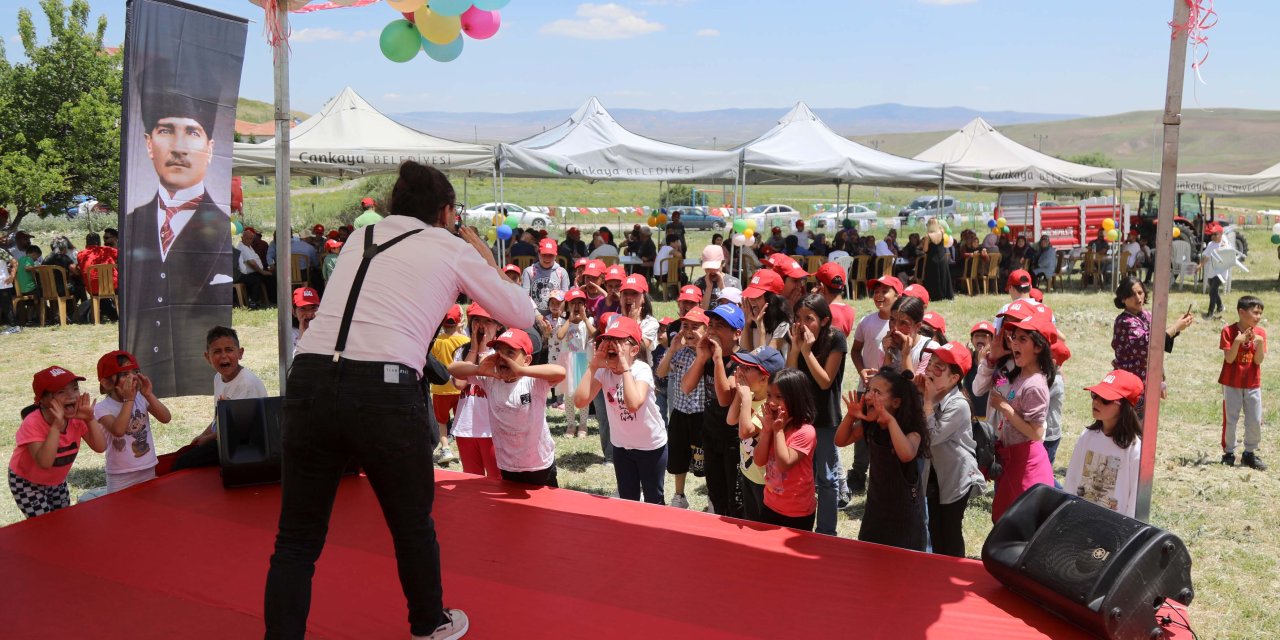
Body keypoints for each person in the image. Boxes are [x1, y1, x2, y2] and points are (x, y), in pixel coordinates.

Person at [267, 161, 536, 640]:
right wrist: (477, 250)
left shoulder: (358, 239)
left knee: (296, 539)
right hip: (384, 388)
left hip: (308, 378)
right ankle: (429, 623)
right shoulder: (449, 245)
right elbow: (522, 312)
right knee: (411, 525)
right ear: (446, 211)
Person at [124, 88, 234, 396]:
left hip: (195, 361)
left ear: (210, 148)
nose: (179, 147)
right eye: (165, 131)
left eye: (193, 133)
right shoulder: (134, 223)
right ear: (149, 143)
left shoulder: (222, 227)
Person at [450, 328, 565, 487]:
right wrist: (478, 369)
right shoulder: (490, 380)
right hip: (507, 464)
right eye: (498, 352)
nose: (502, 358)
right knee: (512, 511)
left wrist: (522, 371)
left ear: (527, 360)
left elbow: (561, 372)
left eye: (510, 353)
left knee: (544, 508)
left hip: (539, 463)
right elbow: (453, 369)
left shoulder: (534, 381)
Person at [972, 309, 1057, 523]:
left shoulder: (1035, 385)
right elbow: (994, 387)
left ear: (1038, 347)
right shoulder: (1017, 373)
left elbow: (1036, 433)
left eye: (1022, 339)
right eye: (1013, 336)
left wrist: (1005, 408)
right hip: (1012, 457)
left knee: (1019, 524)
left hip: (1025, 462)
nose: (1014, 342)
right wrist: (992, 361)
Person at [574, 316, 668, 504]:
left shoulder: (641, 369)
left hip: (650, 445)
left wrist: (625, 368)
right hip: (622, 446)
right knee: (627, 499)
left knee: (654, 499)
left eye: (618, 341)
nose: (611, 345)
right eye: (608, 339)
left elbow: (633, 404)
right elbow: (580, 401)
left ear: (634, 350)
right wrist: (593, 366)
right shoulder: (603, 371)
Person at [835, 367, 929, 551]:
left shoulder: (912, 430)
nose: (869, 396)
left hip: (905, 514)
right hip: (876, 508)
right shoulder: (869, 426)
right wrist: (850, 416)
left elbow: (906, 454)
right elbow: (840, 440)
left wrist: (890, 421)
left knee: (902, 566)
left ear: (896, 402)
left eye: (877, 392)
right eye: (869, 389)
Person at [8, 366, 107, 518]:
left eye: (75, 388)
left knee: (63, 519)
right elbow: (45, 462)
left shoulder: (77, 418)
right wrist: (55, 427)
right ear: (43, 400)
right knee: (44, 524)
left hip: (57, 480)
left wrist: (90, 418)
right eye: (61, 391)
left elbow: (100, 447)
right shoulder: (33, 423)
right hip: (27, 483)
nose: (71, 395)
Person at [787, 294, 848, 536]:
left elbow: (825, 382)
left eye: (809, 319)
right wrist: (795, 348)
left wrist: (807, 351)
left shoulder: (836, 339)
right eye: (798, 318)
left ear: (824, 320)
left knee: (826, 477)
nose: (802, 324)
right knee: (803, 477)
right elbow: (789, 375)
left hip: (825, 419)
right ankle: (802, 524)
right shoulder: (798, 337)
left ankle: (826, 531)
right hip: (801, 417)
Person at [172, 326, 269, 471]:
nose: (223, 356)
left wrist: (207, 439)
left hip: (244, 445)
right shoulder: (218, 377)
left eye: (229, 350)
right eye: (217, 351)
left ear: (240, 353)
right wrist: (202, 435)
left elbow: (241, 428)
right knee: (184, 455)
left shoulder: (247, 383)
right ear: (207, 357)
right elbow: (219, 418)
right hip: (226, 439)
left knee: (183, 463)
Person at [921, 342, 984, 557]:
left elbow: (931, 437)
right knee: (933, 526)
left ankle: (954, 570)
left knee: (949, 530)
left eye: (939, 367)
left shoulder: (959, 404)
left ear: (954, 378)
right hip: (934, 474)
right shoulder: (929, 392)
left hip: (956, 477)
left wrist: (927, 403)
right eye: (931, 362)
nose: (930, 369)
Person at [682, 303, 745, 517]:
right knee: (716, 493)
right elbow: (686, 387)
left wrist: (718, 359)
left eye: (720, 326)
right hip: (710, 433)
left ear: (737, 334)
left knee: (734, 498)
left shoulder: (743, 362)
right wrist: (701, 357)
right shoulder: (708, 357)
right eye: (712, 324)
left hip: (734, 440)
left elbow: (725, 398)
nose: (713, 330)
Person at [1065, 370, 1144, 518]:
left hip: (1113, 527)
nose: (1096, 402)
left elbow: (1134, 497)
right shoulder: (1087, 437)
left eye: (1105, 400)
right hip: (1081, 518)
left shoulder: (1133, 449)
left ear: (1125, 407)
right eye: (1095, 396)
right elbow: (1071, 479)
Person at [848, 275, 900, 494]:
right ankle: (859, 472)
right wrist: (861, 371)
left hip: (888, 390)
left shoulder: (900, 325)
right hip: (866, 387)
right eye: (876, 291)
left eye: (885, 291)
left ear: (897, 296)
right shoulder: (867, 322)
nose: (879, 295)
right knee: (862, 429)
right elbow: (855, 350)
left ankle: (885, 473)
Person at [93, 350, 172, 494]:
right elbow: (118, 430)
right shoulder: (102, 408)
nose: (132, 378)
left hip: (147, 467)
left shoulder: (141, 398)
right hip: (121, 475)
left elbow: (166, 418)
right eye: (124, 375)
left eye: (135, 372)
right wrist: (128, 399)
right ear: (107, 383)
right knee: (121, 513)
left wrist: (148, 394)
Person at [1110, 277, 1195, 407]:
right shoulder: (1124, 321)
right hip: (1130, 384)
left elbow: (1159, 343)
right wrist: (1175, 327)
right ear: (1123, 299)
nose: (1138, 297)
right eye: (1132, 294)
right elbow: (1147, 344)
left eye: (1140, 292)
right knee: (1133, 423)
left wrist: (1161, 378)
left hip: (1149, 381)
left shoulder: (1147, 315)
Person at [656, 306, 709, 509]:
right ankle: (679, 495)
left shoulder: (710, 354)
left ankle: (711, 496)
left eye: (695, 327)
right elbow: (661, 373)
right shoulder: (680, 352)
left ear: (706, 330)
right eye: (685, 326)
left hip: (701, 414)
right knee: (678, 456)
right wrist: (671, 349)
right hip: (679, 412)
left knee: (704, 458)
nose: (688, 331)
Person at [752, 368, 818, 531]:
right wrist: (767, 431)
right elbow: (759, 461)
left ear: (796, 399)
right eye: (769, 395)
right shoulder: (774, 426)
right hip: (770, 505)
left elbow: (784, 464)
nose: (771, 402)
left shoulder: (805, 432)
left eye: (779, 397)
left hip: (798, 512)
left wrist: (778, 431)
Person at [728, 347, 785, 522]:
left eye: (747, 368)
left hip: (764, 480)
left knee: (763, 524)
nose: (740, 371)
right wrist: (741, 394)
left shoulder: (769, 406)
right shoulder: (750, 396)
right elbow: (731, 420)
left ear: (764, 378)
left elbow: (745, 432)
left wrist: (745, 397)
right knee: (750, 518)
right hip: (748, 474)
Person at [450, 302, 502, 477]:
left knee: (497, 479)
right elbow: (459, 383)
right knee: (472, 479)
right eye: (476, 320)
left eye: (487, 321)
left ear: (499, 325)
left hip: (493, 429)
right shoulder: (462, 351)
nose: (481, 326)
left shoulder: (503, 353)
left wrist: (484, 351)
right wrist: (473, 349)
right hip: (466, 428)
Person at [1219, 295, 1267, 470]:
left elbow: (1258, 361)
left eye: (1260, 313)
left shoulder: (1261, 333)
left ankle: (1249, 453)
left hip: (1253, 383)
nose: (1258, 317)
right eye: (1255, 312)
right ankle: (1229, 452)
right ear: (1241, 312)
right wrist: (1238, 342)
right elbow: (1229, 359)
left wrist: (1259, 344)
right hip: (1231, 383)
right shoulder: (1228, 332)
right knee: (1230, 419)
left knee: (1254, 419)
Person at [430, 305, 471, 466]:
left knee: (441, 421)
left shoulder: (436, 342)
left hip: (440, 389)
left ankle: (446, 448)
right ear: (460, 321)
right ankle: (462, 450)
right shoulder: (465, 340)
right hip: (459, 388)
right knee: (460, 420)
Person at [556, 289, 595, 438]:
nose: (577, 306)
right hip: (568, 362)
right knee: (569, 396)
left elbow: (594, 334)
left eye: (580, 303)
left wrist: (585, 319)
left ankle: (583, 424)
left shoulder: (588, 322)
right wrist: (570, 319)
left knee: (583, 394)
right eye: (573, 303)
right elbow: (559, 336)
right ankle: (571, 424)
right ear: (567, 306)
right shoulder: (563, 321)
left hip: (583, 361)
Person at [740, 269, 791, 354]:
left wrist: (761, 329)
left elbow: (765, 359)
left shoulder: (783, 324)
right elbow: (745, 354)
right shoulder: (750, 319)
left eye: (758, 297)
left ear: (771, 300)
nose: (752, 300)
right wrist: (747, 325)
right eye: (751, 295)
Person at [523, 238, 572, 316]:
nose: (547, 258)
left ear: (556, 255)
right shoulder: (529, 272)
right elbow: (525, 297)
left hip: (555, 318)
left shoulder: (562, 272)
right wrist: (537, 316)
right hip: (533, 317)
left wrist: (555, 317)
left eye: (550, 255)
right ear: (538, 253)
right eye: (544, 255)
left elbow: (565, 297)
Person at [812, 262, 856, 337]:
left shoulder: (823, 312)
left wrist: (811, 300)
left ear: (821, 287)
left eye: (816, 284)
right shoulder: (851, 310)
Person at [236, 227, 276, 306]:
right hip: (244, 274)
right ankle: (254, 302)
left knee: (271, 277)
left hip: (253, 271)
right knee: (257, 279)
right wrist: (262, 272)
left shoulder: (248, 246)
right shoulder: (242, 247)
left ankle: (270, 300)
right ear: (242, 238)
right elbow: (251, 263)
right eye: (247, 238)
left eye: (251, 239)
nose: (249, 240)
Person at [692, 245, 740, 309]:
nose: (711, 271)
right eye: (708, 268)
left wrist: (722, 287)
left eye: (715, 267)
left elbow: (732, 310)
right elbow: (701, 311)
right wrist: (708, 288)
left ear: (723, 264)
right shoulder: (698, 283)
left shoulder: (734, 283)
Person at [1197, 223, 1227, 319]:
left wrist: (1223, 246)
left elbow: (1230, 254)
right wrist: (1200, 265)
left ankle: (1210, 313)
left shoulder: (1225, 243)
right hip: (1212, 271)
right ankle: (1220, 306)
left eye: (1215, 234)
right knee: (1214, 291)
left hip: (1221, 272)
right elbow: (1206, 257)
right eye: (1212, 234)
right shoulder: (1211, 244)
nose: (1213, 236)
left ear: (1221, 234)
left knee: (1212, 291)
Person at [921, 219, 954, 301]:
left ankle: (935, 296)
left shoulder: (928, 236)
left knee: (933, 278)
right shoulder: (942, 233)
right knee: (944, 277)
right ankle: (946, 295)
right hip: (942, 258)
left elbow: (925, 249)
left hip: (932, 259)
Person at [291, 287, 320, 353]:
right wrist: (302, 338)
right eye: (303, 309)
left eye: (313, 308)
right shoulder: (290, 334)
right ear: (294, 312)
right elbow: (294, 361)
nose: (309, 314)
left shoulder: (326, 330)